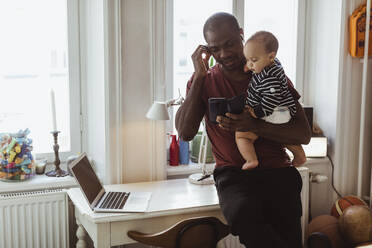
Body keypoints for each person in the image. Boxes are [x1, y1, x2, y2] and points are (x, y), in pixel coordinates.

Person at [175, 12, 311, 248]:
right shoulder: (203, 81)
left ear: (241, 36)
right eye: (215, 49)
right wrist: (199, 76)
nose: (224, 54)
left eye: (229, 44)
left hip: (277, 171)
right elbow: (185, 133)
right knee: (242, 213)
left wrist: (254, 125)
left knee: (287, 234)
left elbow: (303, 134)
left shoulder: (271, 74)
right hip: (233, 175)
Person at [236, 31, 306, 170]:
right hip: (280, 110)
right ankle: (300, 155)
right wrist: (252, 64)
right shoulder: (272, 64)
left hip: (274, 111)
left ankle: (251, 160)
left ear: (271, 56)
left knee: (242, 135)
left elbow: (271, 99)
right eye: (247, 60)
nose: (250, 65)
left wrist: (257, 112)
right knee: (281, 137)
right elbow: (259, 65)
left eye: (253, 60)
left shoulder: (269, 78)